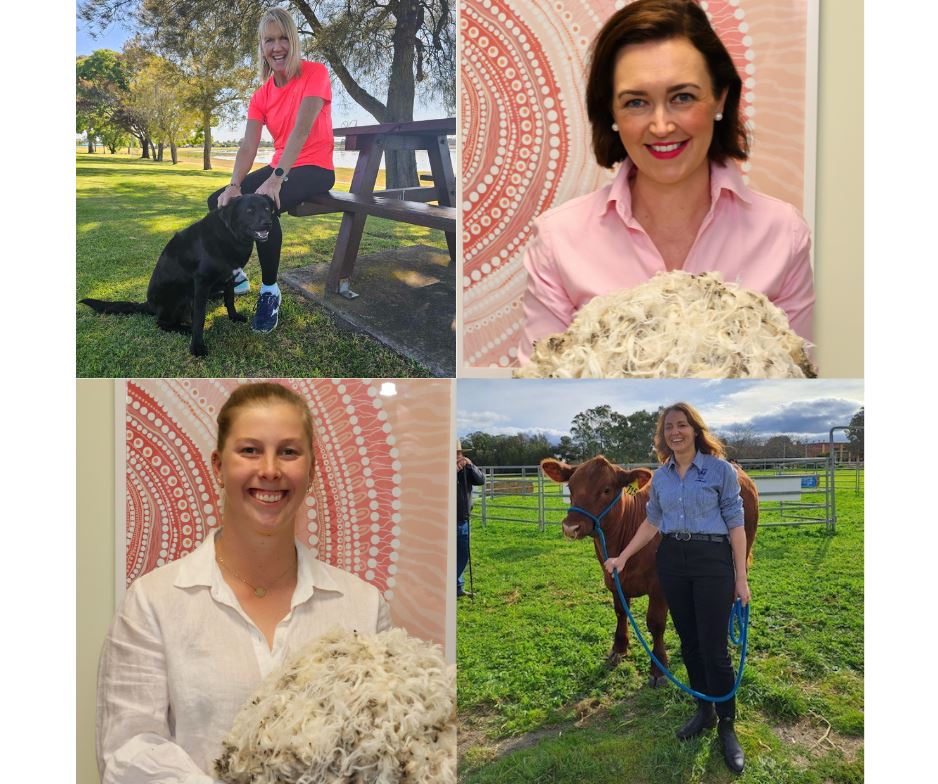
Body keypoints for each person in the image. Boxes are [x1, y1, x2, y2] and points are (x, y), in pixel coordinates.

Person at [96, 383, 390, 783]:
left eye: (288, 451)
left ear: (311, 469)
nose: (270, 470)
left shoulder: (365, 607)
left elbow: (388, 750)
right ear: (218, 466)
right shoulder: (152, 603)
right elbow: (128, 751)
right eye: (250, 450)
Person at [519, 0, 814, 365]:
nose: (661, 126)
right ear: (611, 111)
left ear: (720, 98)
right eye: (636, 102)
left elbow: (796, 375)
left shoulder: (783, 234)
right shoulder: (557, 240)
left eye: (683, 97)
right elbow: (542, 380)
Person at [603, 402, 750, 774]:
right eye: (668, 427)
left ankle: (728, 727)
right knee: (690, 644)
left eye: (682, 425)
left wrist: (740, 577)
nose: (675, 432)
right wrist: (622, 557)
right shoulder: (661, 477)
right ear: (663, 435)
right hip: (673, 560)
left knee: (715, 649)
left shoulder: (720, 471)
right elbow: (652, 523)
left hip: (712, 560)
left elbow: (735, 523)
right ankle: (705, 713)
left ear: (695, 430)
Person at [208, 7, 336, 334]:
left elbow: (302, 130)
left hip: (315, 166)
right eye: (269, 40)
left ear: (293, 41)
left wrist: (276, 179)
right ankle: (235, 276)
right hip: (279, 165)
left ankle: (269, 291)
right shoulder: (260, 95)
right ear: (262, 47)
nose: (277, 47)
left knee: (266, 207)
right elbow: (249, 145)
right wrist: (235, 184)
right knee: (218, 201)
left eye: (283, 38)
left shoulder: (315, 73)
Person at [456, 440, 484, 598]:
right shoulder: (442, 470)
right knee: (449, 557)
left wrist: (470, 465)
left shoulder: (467, 469)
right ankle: (449, 585)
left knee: (463, 555)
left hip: (463, 519)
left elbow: (481, 480)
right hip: (447, 521)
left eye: (459, 454)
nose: (457, 457)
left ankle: (457, 587)